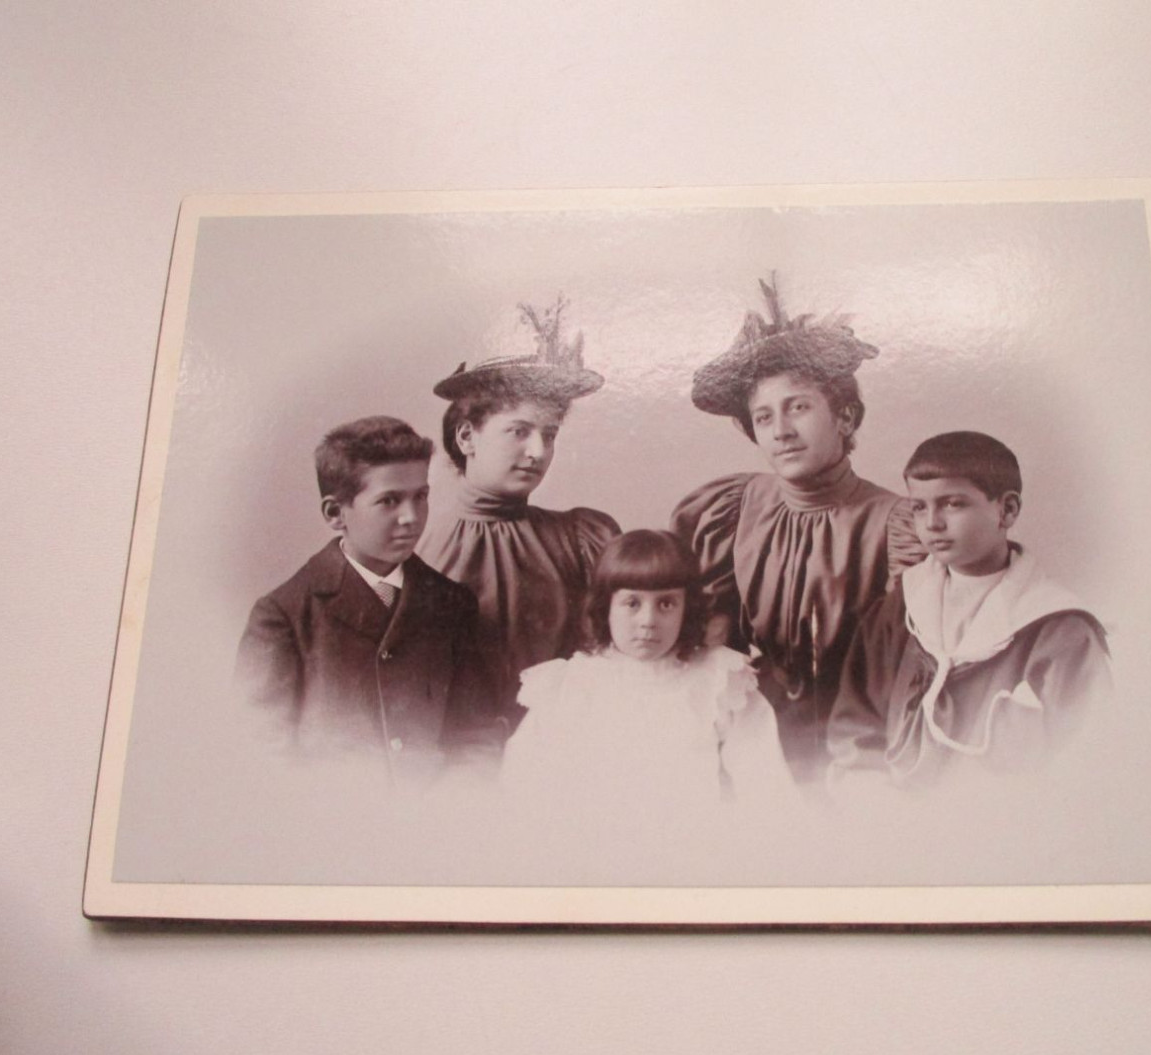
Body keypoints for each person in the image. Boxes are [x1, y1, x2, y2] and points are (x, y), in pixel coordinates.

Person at [671, 275, 925, 786]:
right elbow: (705, 654)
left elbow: (907, 673)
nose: (781, 431)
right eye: (763, 418)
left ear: (845, 417)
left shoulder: (898, 524)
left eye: (799, 407)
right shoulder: (730, 511)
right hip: (751, 753)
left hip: (861, 757)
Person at [828, 431, 1111, 789]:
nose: (932, 523)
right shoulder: (902, 608)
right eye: (919, 507)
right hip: (895, 807)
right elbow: (856, 723)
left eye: (953, 504)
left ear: (1007, 510)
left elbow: (1088, 754)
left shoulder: (1059, 631)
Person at [234, 416, 507, 766]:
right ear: (335, 513)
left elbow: (475, 736)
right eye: (389, 501)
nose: (411, 517)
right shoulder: (283, 616)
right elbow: (261, 755)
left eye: (420, 496)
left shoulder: (453, 604)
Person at [502, 530, 793, 817]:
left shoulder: (717, 678)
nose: (648, 621)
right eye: (632, 604)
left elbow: (764, 777)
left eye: (666, 604)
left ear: (687, 610)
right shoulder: (570, 684)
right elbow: (523, 781)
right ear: (605, 608)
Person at [416, 299, 620, 691]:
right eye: (518, 431)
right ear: (467, 436)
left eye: (549, 435)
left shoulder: (581, 540)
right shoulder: (416, 545)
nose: (538, 452)